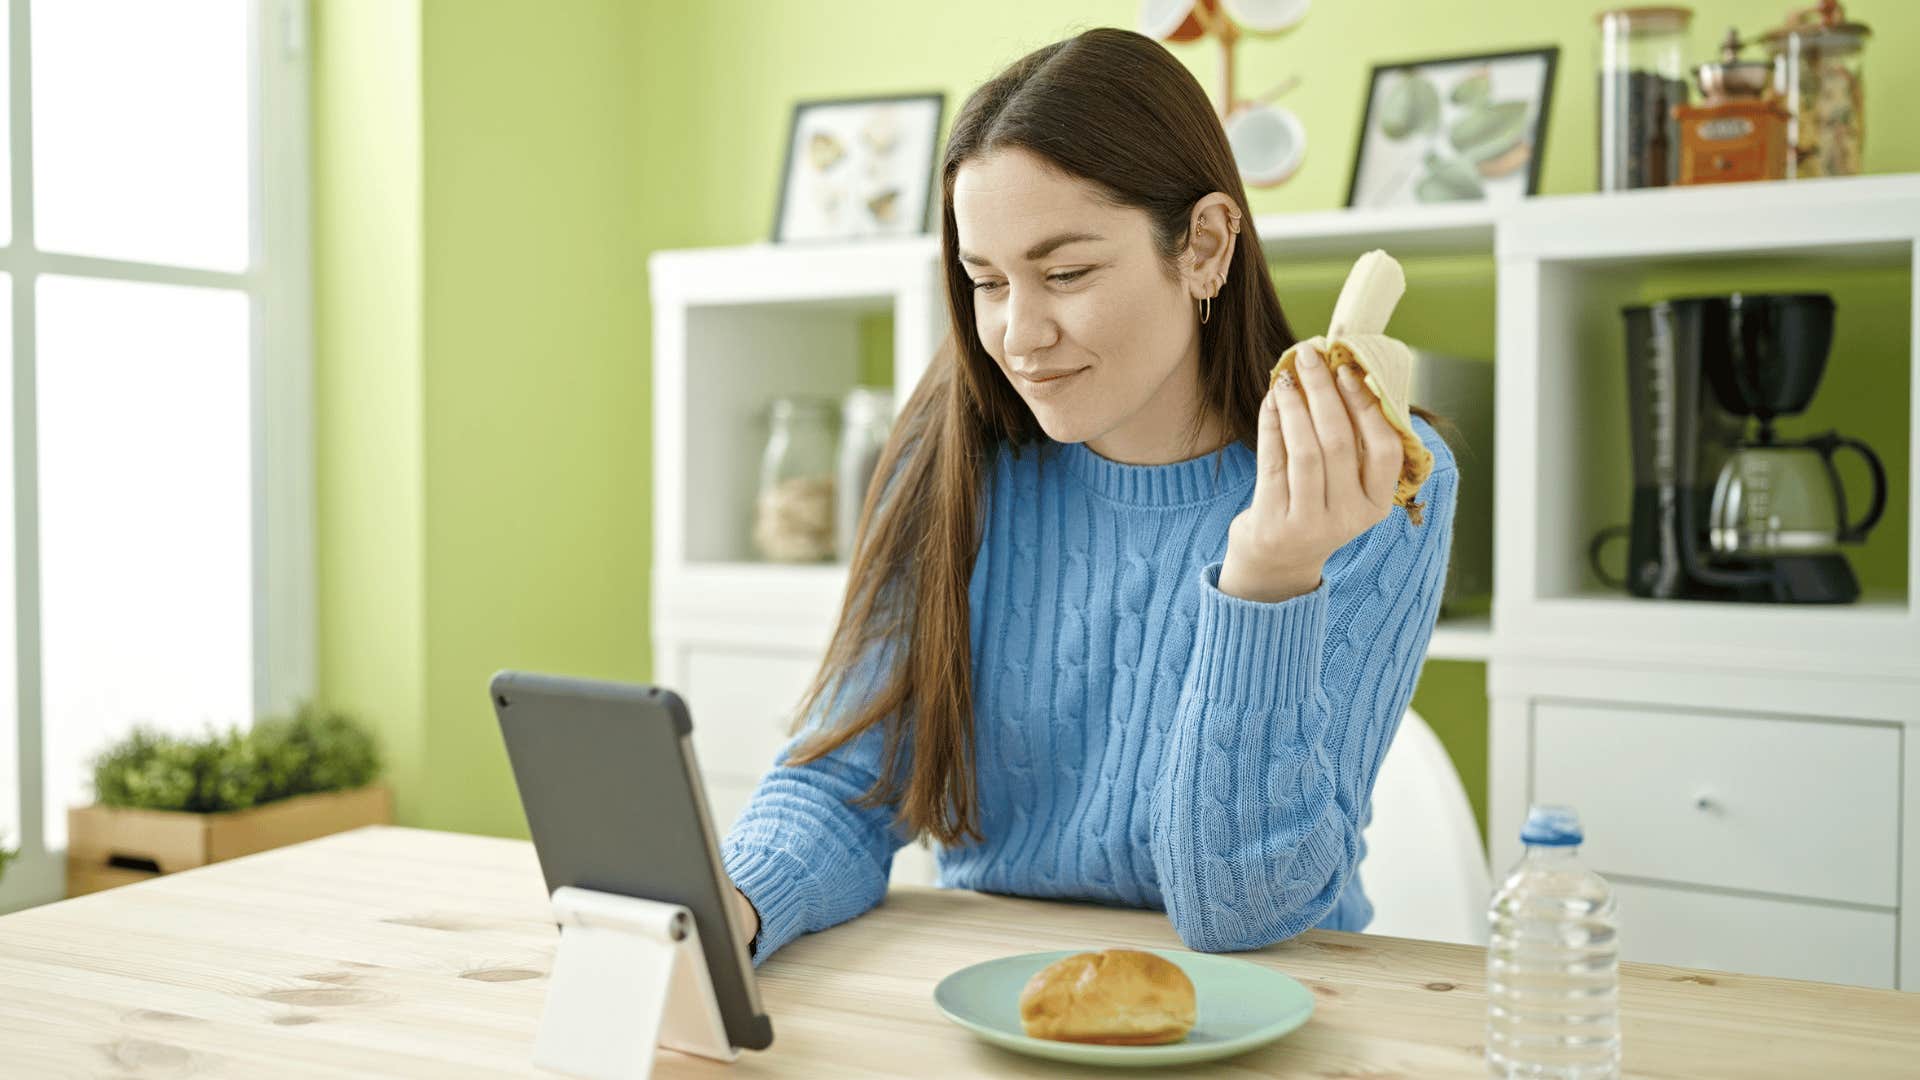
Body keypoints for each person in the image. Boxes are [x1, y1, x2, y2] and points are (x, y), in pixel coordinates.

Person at [720, 26, 1459, 967]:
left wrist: (1269, 576)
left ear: (1204, 245)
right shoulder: (956, 445)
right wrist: (730, 909)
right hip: (999, 993)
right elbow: (845, 784)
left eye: (1066, 273)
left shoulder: (1376, 480)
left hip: (1268, 1002)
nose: (1019, 334)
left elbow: (1241, 911)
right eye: (987, 282)